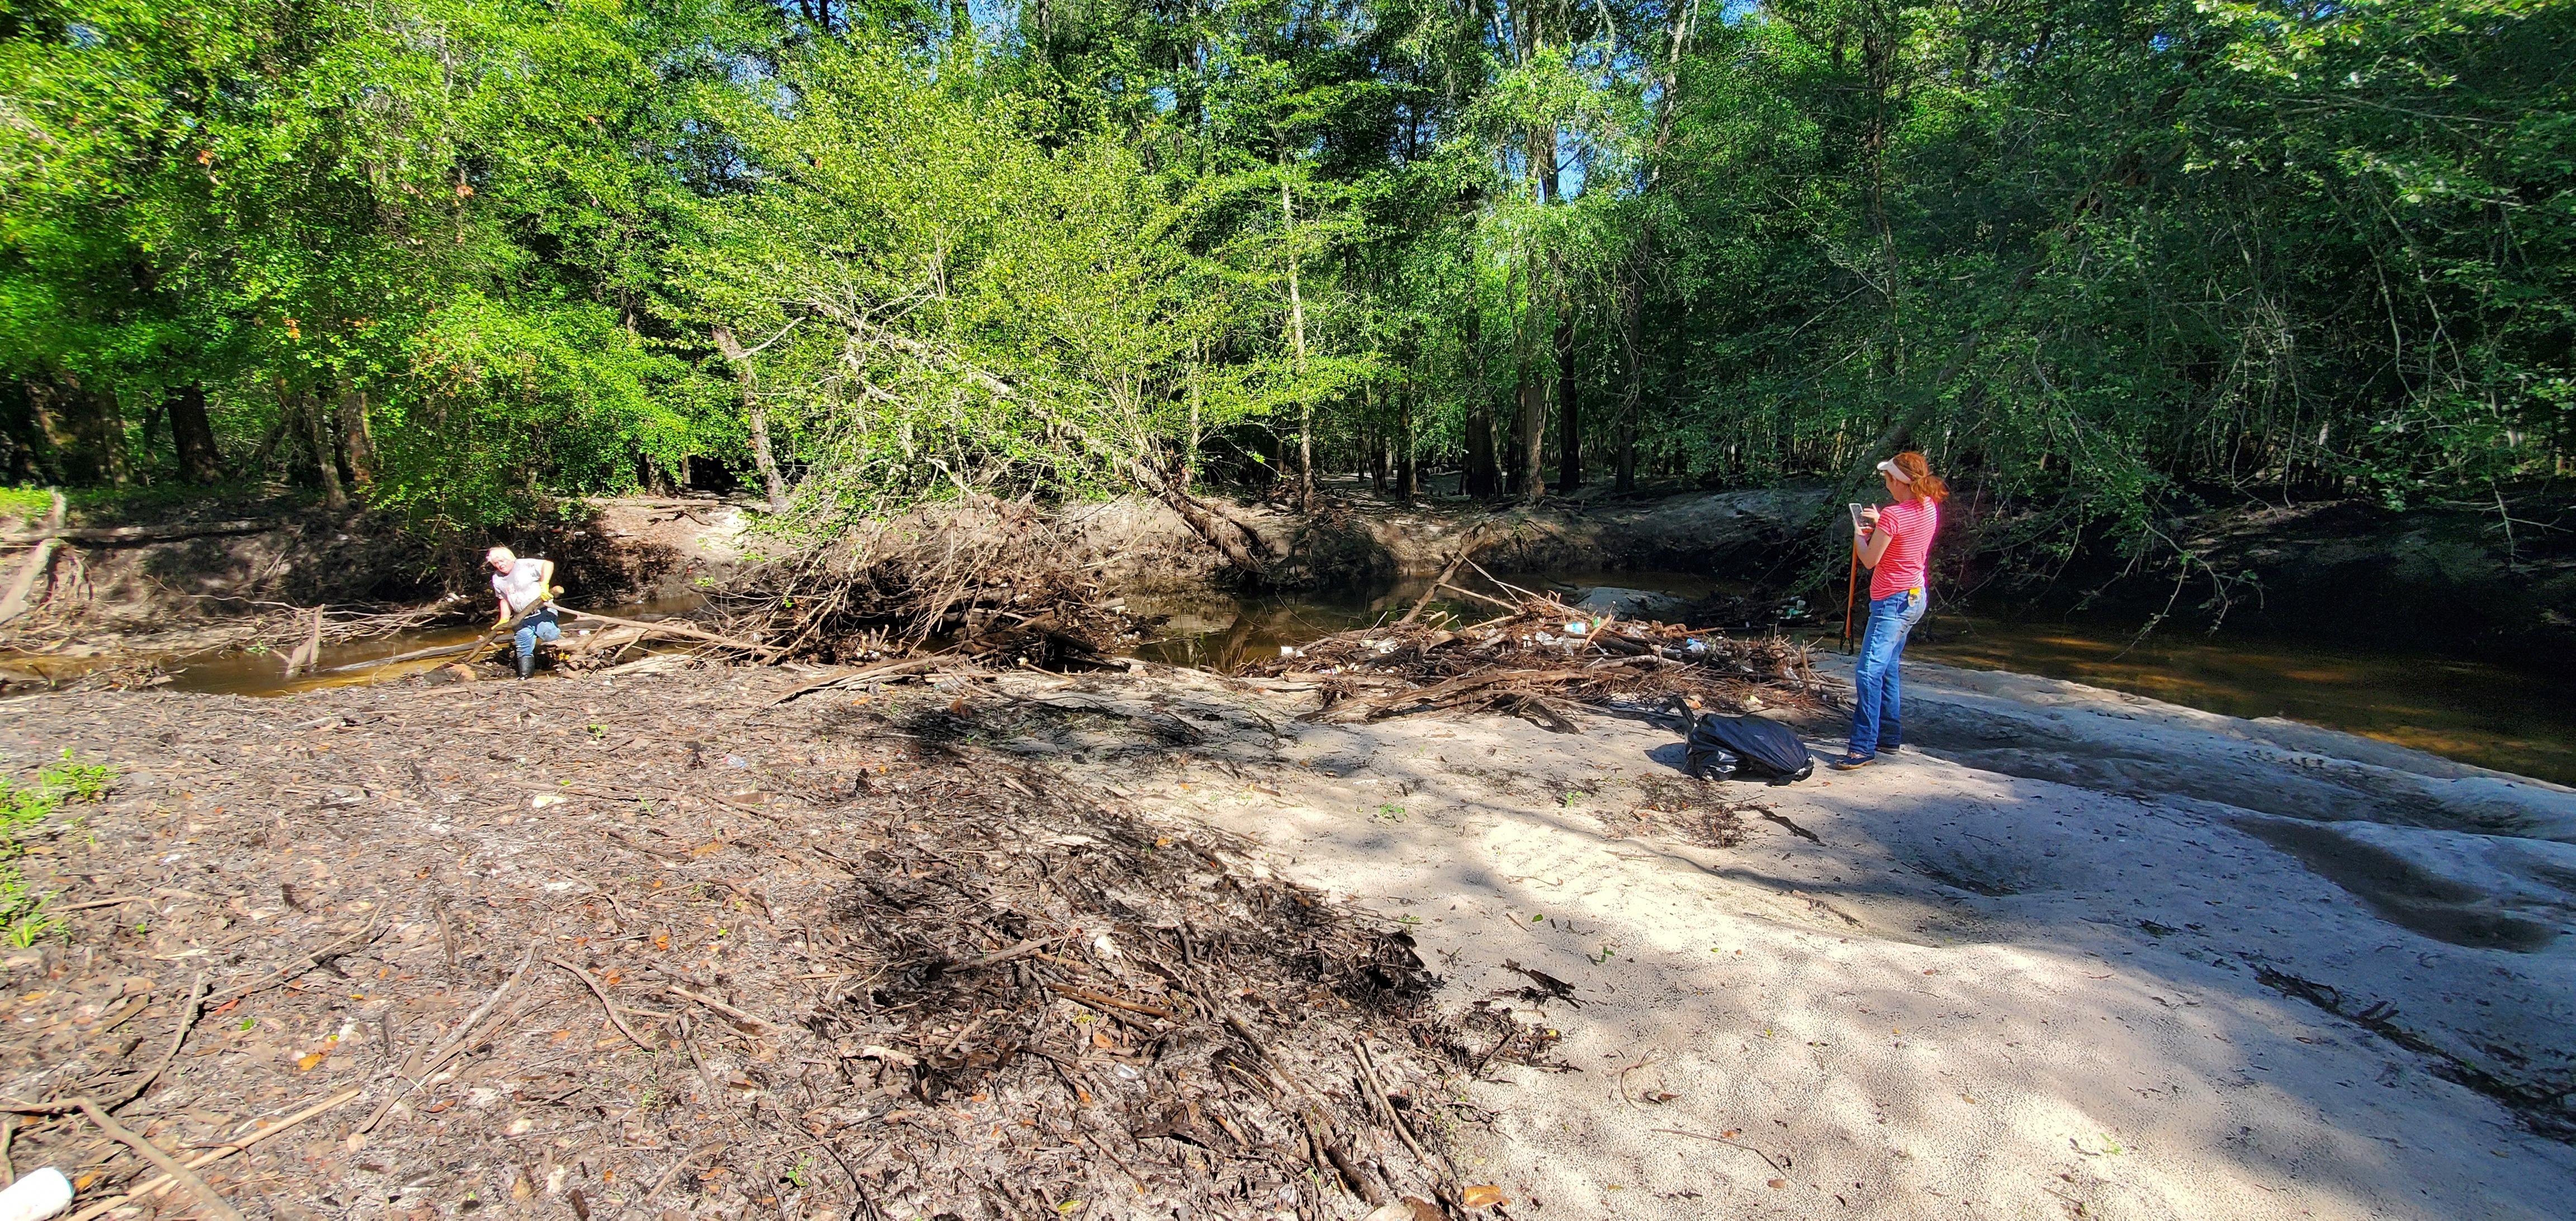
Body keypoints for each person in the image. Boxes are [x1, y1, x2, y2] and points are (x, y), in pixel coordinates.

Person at [1831, 452, 1947, 769]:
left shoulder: (1896, 516)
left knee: (1868, 672)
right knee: (1889, 667)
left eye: (1888, 480)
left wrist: (1860, 533)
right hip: (1915, 596)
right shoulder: (1927, 507)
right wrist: (1881, 524)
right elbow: (1905, 535)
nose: (1886, 485)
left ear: (1899, 481)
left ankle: (1862, 747)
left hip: (1892, 602)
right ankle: (1889, 737)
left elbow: (1870, 559)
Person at [486, 546, 561, 680]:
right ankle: (526, 677)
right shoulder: (497, 578)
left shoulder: (524, 565)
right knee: (523, 646)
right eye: (496, 563)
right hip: (520, 617)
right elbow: (504, 599)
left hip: (542, 611)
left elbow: (548, 564)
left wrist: (544, 584)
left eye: (502, 561)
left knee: (551, 637)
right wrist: (504, 619)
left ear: (510, 558)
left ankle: (564, 666)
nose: (500, 565)